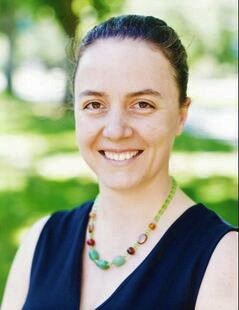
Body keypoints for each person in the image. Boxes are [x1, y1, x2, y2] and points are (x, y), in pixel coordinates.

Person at [2, 15, 238, 310]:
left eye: (142, 104)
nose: (115, 130)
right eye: (94, 105)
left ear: (181, 114)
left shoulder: (224, 260)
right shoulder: (41, 240)